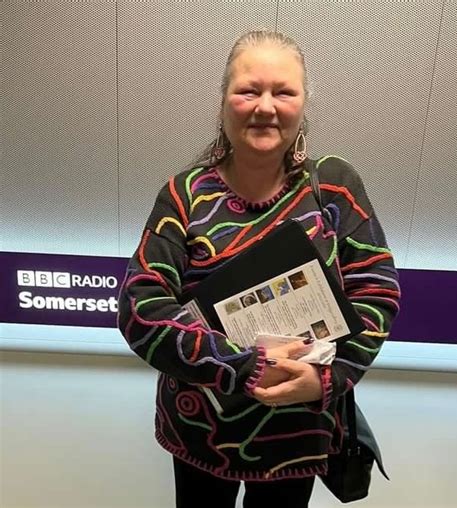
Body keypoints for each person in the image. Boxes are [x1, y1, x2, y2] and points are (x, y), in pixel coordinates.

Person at [117, 30, 401, 508]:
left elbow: (377, 291)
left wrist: (330, 379)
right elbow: (140, 309)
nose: (265, 107)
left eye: (283, 92)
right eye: (249, 90)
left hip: (298, 432)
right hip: (200, 431)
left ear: (303, 103)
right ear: (223, 101)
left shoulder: (334, 187)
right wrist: (245, 368)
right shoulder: (184, 195)